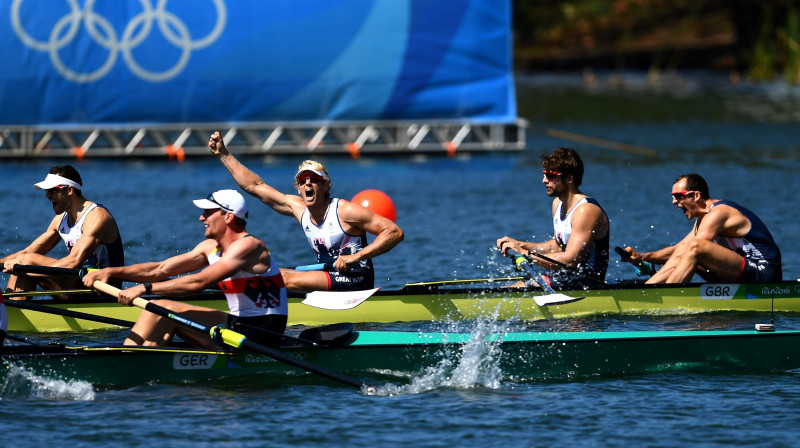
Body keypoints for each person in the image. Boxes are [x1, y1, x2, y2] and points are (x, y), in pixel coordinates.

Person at [83, 189, 288, 348]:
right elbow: (160, 269)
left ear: (228, 217)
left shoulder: (249, 246)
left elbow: (199, 282)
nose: (201, 218)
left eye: (208, 212)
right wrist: (110, 272)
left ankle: (136, 364)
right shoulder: (210, 248)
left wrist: (144, 289)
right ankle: (128, 356)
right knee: (156, 308)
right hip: (239, 324)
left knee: (167, 310)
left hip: (263, 334)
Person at [207, 131, 404, 292]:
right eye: (302, 181)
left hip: (356, 278)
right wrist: (224, 154)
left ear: (325, 185)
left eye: (313, 179)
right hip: (328, 276)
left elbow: (394, 232)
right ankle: (214, 287)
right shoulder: (299, 209)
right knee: (259, 270)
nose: (307, 183)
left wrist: (355, 258)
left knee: (283, 277)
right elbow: (255, 186)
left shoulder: (345, 211)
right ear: (298, 187)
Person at [621, 173, 781, 284]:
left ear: (696, 195)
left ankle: (659, 293)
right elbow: (677, 251)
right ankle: (653, 290)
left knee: (695, 247)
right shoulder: (703, 218)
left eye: (678, 196)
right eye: (672, 197)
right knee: (686, 249)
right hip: (743, 271)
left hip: (764, 273)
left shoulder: (719, 213)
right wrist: (643, 256)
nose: (674, 202)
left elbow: (693, 249)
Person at [1, 165, 124, 298]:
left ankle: (13, 312)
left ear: (69, 190)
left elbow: (73, 262)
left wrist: (25, 266)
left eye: (52, 190)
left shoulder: (97, 216)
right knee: (22, 260)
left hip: (103, 290)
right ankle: (12, 311)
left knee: (26, 261)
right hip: (79, 282)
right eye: (46, 191)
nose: (47, 195)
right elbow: (27, 252)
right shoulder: (60, 219)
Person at [496, 147, 609, 288]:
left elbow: (570, 260)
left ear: (569, 178)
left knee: (520, 287)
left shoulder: (586, 210)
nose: (544, 180)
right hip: (567, 277)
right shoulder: (557, 204)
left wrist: (525, 254)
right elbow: (556, 246)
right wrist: (519, 245)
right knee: (509, 288)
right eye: (544, 174)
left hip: (589, 282)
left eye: (550, 175)